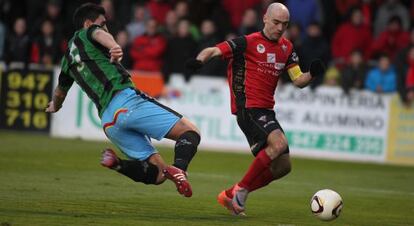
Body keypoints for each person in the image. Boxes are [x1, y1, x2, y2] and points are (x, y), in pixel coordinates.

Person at [45, 3, 200, 198]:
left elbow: (59, 93)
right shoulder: (89, 33)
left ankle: (117, 163)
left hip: (109, 122)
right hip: (125, 102)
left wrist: (54, 106)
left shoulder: (67, 59)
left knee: (159, 174)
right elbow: (99, 34)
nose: (105, 28)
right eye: (102, 23)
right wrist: (114, 46)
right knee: (190, 132)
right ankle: (180, 168)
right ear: (88, 23)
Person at [186, 2, 324, 215]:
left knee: (283, 167)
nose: (279, 28)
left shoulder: (287, 47)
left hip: (267, 111)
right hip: (248, 108)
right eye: (276, 22)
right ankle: (242, 190)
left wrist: (312, 74)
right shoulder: (247, 42)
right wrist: (199, 60)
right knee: (279, 144)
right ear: (265, 19)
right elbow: (214, 49)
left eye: (284, 25)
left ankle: (231, 194)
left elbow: (297, 80)